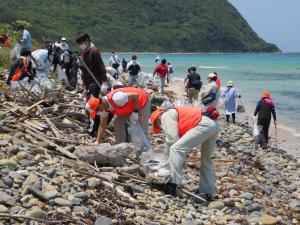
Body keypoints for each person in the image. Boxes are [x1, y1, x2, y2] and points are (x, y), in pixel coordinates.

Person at [150, 106, 219, 200]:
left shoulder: (165, 115)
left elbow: (172, 139)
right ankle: (207, 191)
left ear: (158, 118)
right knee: (207, 160)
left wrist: (166, 162)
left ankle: (172, 185)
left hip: (204, 125)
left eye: (157, 125)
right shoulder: (177, 115)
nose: (160, 128)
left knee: (176, 149)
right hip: (213, 125)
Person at [86, 87, 151, 145]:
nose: (98, 113)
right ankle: (120, 145)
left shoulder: (116, 98)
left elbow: (135, 96)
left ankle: (145, 151)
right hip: (128, 107)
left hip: (141, 101)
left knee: (141, 127)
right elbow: (102, 125)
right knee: (118, 123)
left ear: (99, 104)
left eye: (97, 111)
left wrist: (135, 112)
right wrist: (97, 141)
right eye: (96, 112)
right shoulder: (103, 108)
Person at [75, 32, 107, 98]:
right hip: (88, 81)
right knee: (93, 103)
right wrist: (80, 64)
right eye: (79, 44)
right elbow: (84, 68)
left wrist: (104, 83)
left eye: (81, 43)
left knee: (92, 104)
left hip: (95, 81)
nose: (80, 45)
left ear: (87, 40)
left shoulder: (94, 51)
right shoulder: (83, 51)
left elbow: (101, 67)